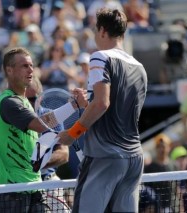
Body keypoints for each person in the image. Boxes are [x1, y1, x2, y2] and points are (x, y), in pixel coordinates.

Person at [57, 8, 148, 212]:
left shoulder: (100, 57)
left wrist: (73, 133)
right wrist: (85, 105)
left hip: (105, 155)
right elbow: (116, 110)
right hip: (134, 159)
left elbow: (102, 104)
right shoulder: (140, 67)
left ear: (102, 31)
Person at [0, 47, 86, 212]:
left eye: (31, 65)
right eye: (24, 66)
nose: (31, 70)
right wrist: (73, 105)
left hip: (35, 187)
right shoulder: (8, 102)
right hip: (11, 191)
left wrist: (55, 140)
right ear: (9, 70)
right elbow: (40, 124)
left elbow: (34, 147)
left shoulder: (26, 102)